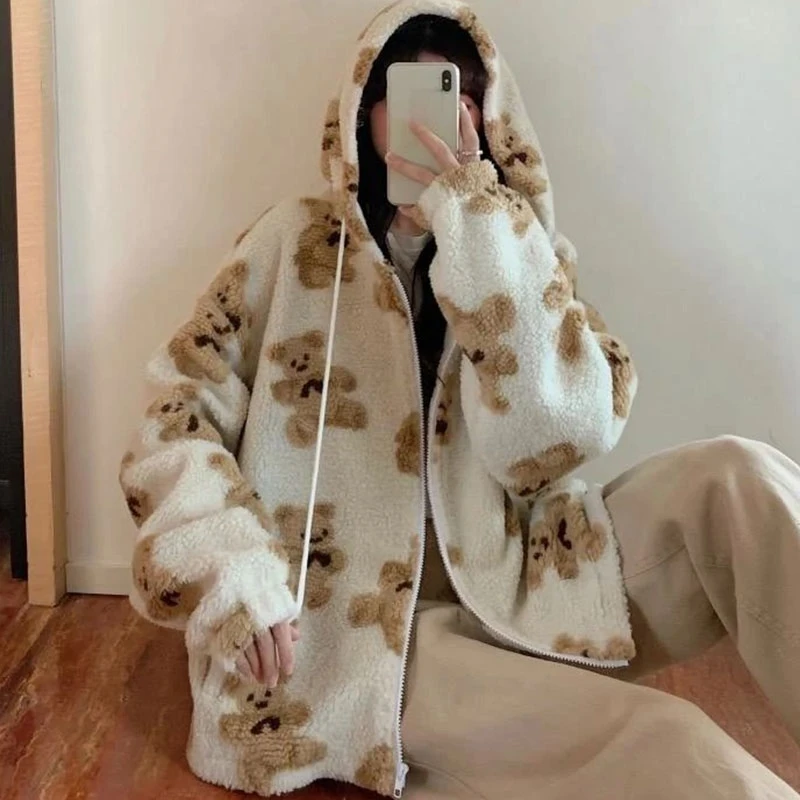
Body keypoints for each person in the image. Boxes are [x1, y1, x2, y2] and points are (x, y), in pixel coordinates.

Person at [119, 1, 800, 797]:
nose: (436, 122)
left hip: (526, 580)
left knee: (741, 479)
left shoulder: (521, 248)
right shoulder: (289, 244)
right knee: (672, 744)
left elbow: (552, 443)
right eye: (407, 98)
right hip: (369, 639)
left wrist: (475, 229)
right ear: (364, 115)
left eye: (460, 98)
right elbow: (174, 417)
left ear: (491, 119)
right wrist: (234, 565)